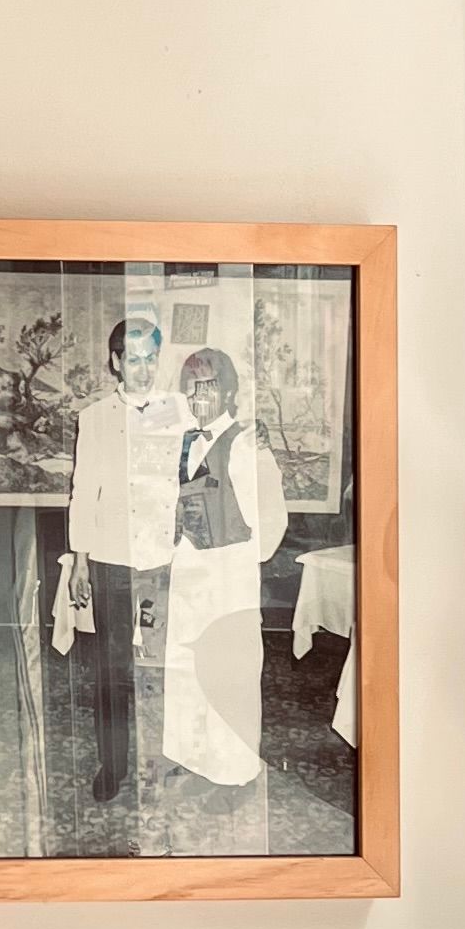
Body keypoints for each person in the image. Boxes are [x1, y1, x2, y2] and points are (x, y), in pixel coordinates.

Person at [55, 316, 189, 812]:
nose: (143, 369)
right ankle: (112, 766)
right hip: (111, 561)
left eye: (150, 358)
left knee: (162, 668)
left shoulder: (178, 412)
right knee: (111, 672)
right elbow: (83, 491)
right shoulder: (93, 419)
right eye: (133, 360)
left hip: (161, 564)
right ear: (115, 362)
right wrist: (81, 561)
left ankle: (165, 762)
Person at [161, 348, 288, 793]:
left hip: (229, 578)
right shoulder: (181, 442)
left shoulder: (248, 444)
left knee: (230, 674)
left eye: (209, 385)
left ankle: (234, 774)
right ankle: (193, 759)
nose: (199, 396)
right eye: (191, 387)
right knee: (186, 669)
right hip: (187, 575)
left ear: (230, 391)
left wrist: (234, 559)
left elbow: (272, 521)